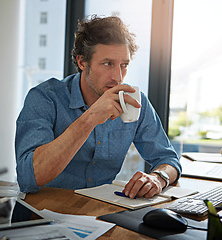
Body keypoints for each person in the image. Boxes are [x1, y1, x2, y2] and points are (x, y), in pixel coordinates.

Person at [15, 15, 181, 199]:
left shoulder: (134, 100)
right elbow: (29, 176)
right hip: (42, 213)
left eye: (124, 65)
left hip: (98, 213)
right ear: (82, 62)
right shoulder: (45, 97)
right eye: (108, 64)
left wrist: (158, 178)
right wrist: (90, 118)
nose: (118, 77)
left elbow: (169, 159)